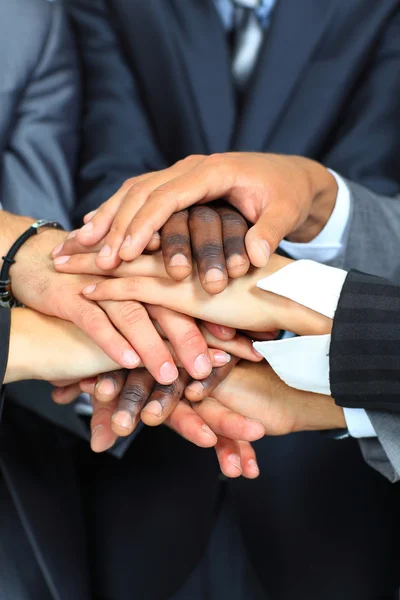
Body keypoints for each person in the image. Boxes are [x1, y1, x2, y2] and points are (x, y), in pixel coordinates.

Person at [57, 0, 400, 597]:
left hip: (336, 472)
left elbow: (379, 193)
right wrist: (176, 244)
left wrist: (263, 219)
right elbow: (105, 166)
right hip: (146, 451)